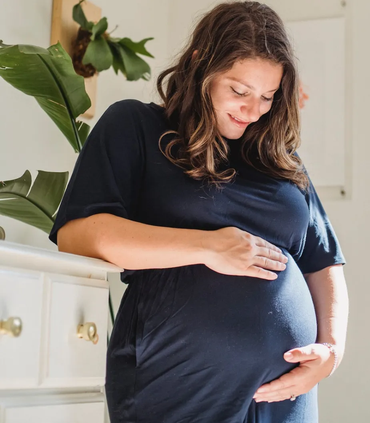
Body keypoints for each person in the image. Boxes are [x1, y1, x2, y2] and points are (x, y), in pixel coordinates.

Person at [49, 2, 349, 422]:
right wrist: (208, 247)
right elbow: (77, 235)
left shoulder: (282, 160)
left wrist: (331, 350)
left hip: (287, 394)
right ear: (199, 66)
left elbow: (324, 262)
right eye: (239, 91)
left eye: (267, 96)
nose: (252, 110)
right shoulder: (136, 127)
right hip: (177, 383)